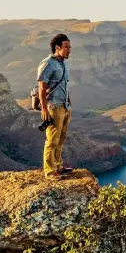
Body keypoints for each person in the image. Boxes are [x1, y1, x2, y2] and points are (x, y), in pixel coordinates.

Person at [37, 33, 73, 179]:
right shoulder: (47, 63)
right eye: (66, 47)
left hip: (65, 106)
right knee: (52, 140)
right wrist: (44, 109)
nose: (69, 50)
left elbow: (65, 85)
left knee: (61, 138)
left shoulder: (63, 64)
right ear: (57, 47)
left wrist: (69, 102)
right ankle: (49, 170)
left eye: (70, 47)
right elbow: (41, 88)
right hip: (54, 107)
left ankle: (58, 165)